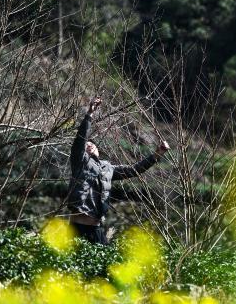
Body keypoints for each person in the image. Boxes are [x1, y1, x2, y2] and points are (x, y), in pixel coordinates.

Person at [66, 97, 170, 245]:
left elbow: (134, 170)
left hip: (96, 228)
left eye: (92, 144)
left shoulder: (108, 168)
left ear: (98, 150)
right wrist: (89, 114)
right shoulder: (79, 161)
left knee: (105, 266)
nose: (88, 145)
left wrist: (157, 154)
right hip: (77, 227)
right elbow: (80, 139)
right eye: (86, 145)